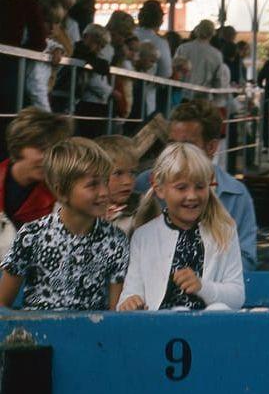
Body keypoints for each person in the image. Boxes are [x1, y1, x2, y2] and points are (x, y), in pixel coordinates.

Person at [0, 138, 129, 310]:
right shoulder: (31, 235)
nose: (104, 192)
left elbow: (116, 312)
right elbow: (2, 304)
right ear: (61, 191)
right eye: (92, 185)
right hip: (37, 335)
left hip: (93, 335)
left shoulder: (116, 240)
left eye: (105, 182)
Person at [118, 142, 244, 312]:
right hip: (161, 328)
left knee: (219, 308)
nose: (191, 196)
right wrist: (130, 302)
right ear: (160, 189)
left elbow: (237, 296)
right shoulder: (143, 236)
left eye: (200, 187)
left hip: (208, 328)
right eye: (181, 188)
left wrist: (202, 287)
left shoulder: (224, 231)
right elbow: (130, 293)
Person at [134, 99, 258, 272]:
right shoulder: (145, 183)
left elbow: (247, 259)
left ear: (211, 147)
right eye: (171, 143)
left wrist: (202, 278)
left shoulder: (237, 195)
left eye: (187, 145)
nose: (176, 152)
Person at [0, 0, 47, 156]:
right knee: (6, 127)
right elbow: (39, 41)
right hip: (9, 68)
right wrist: (18, 50)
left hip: (10, 64)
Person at [0, 109, 71, 241]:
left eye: (54, 151)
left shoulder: (61, 196)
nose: (49, 158)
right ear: (19, 146)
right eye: (42, 149)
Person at [24, 0, 66, 111]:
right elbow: (35, 84)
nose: (52, 28)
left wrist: (58, 49)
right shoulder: (29, 39)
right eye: (47, 21)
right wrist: (46, 113)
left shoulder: (50, 43)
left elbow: (51, 44)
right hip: (32, 98)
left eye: (56, 22)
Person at [73, 23, 112, 138]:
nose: (98, 49)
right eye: (97, 43)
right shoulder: (77, 49)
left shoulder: (89, 55)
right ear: (86, 37)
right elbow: (101, 66)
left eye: (102, 46)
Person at [134, 0, 172, 115]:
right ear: (160, 20)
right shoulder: (160, 42)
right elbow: (166, 72)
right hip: (146, 95)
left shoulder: (129, 34)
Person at [97, 134, 139, 236]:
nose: (128, 181)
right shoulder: (83, 211)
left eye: (132, 173)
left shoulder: (142, 211)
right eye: (118, 173)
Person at [174, 19, 223, 97]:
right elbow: (218, 80)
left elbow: (175, 71)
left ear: (197, 31)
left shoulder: (183, 48)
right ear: (212, 34)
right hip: (204, 97)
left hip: (183, 95)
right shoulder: (216, 54)